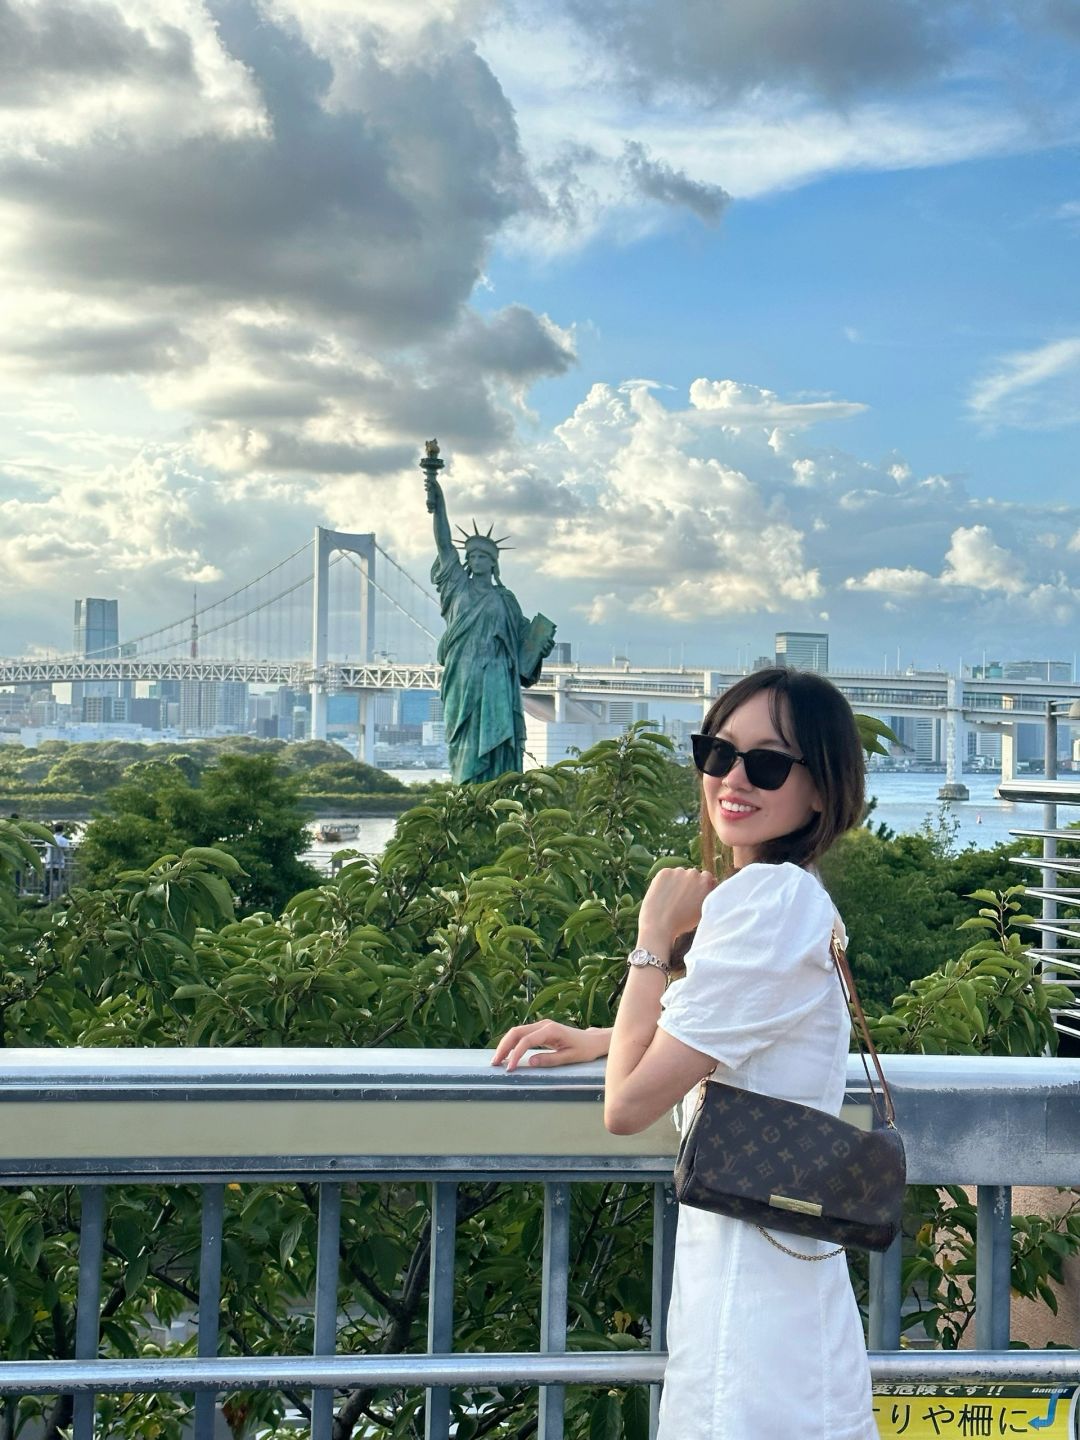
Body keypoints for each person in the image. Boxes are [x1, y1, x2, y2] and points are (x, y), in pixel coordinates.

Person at [492, 667, 874, 1440]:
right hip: (769, 1284)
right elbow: (732, 1042)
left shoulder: (770, 902)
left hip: (755, 1315)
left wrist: (651, 940)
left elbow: (628, 1107)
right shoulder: (786, 896)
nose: (733, 778)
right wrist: (602, 1039)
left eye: (767, 763)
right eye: (717, 752)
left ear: (822, 792)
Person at [424, 459, 555, 784]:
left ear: (494, 563)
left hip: (498, 680)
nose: (476, 560)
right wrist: (436, 492)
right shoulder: (456, 586)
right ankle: (466, 800)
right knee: (465, 750)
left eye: (483, 556)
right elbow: (443, 542)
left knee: (502, 756)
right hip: (465, 677)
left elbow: (524, 647)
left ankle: (501, 800)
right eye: (472, 556)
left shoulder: (505, 600)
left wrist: (541, 647)